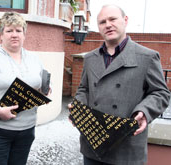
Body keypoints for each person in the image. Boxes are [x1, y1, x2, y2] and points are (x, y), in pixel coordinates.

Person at [69, 4, 170, 165]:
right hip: (93, 146)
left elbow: (161, 93)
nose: (108, 24)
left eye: (112, 19)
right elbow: (84, 89)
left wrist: (144, 111)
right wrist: (79, 108)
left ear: (125, 20)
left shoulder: (147, 57)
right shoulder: (90, 58)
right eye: (102, 22)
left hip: (127, 149)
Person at [0, 12, 47, 165]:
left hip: (27, 129)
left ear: (24, 35)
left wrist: (44, 89)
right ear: (1, 34)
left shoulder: (34, 58)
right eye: (9, 30)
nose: (14, 35)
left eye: (18, 31)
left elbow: (41, 82)